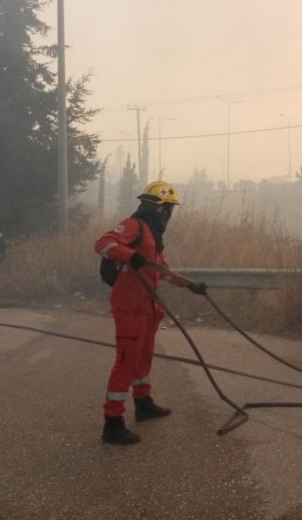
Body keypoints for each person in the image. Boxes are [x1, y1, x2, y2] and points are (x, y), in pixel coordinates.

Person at [94, 180, 206, 445]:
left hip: (147, 308)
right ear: (159, 208)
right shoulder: (134, 226)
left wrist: (191, 286)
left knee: (143, 359)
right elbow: (102, 243)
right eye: (169, 209)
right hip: (130, 307)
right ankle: (112, 423)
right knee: (126, 363)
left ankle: (143, 403)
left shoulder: (152, 236)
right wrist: (128, 255)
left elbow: (161, 270)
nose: (170, 215)